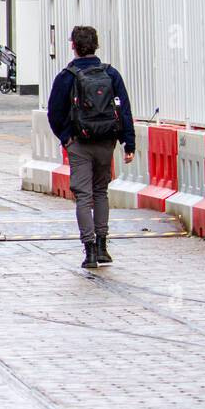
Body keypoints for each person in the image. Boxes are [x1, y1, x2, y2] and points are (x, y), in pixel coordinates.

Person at [46, 26, 136, 269]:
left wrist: (66, 138)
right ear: (96, 44)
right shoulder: (111, 73)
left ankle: (90, 251)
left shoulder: (67, 76)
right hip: (106, 141)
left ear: (73, 45)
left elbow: (54, 113)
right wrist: (129, 142)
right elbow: (123, 108)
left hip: (79, 143)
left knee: (84, 196)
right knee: (101, 192)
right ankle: (104, 246)